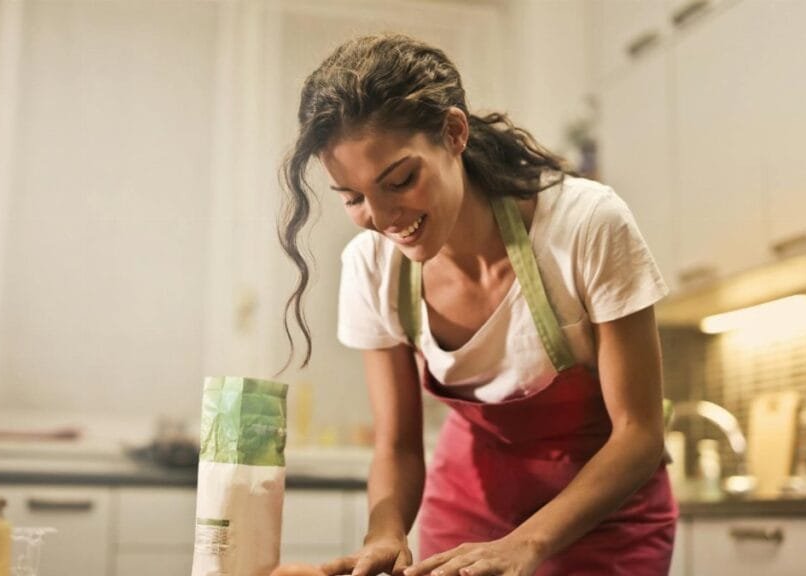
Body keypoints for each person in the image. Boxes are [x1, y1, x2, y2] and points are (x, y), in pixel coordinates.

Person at [279, 34, 677, 576]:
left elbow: (640, 433)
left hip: (603, 519)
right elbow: (396, 445)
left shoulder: (583, 226)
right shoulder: (372, 268)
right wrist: (385, 532)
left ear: (454, 132)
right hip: (465, 512)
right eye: (351, 197)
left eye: (399, 180)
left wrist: (524, 545)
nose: (381, 217)